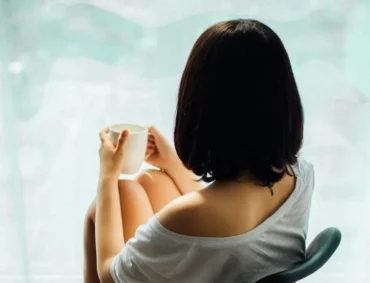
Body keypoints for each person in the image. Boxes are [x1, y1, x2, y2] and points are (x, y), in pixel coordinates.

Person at [84, 19, 315, 283]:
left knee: (113, 198)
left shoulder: (185, 216)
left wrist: (107, 176)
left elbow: (108, 274)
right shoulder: (302, 176)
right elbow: (228, 219)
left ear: (202, 113)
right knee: (154, 182)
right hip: (239, 269)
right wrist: (171, 163)